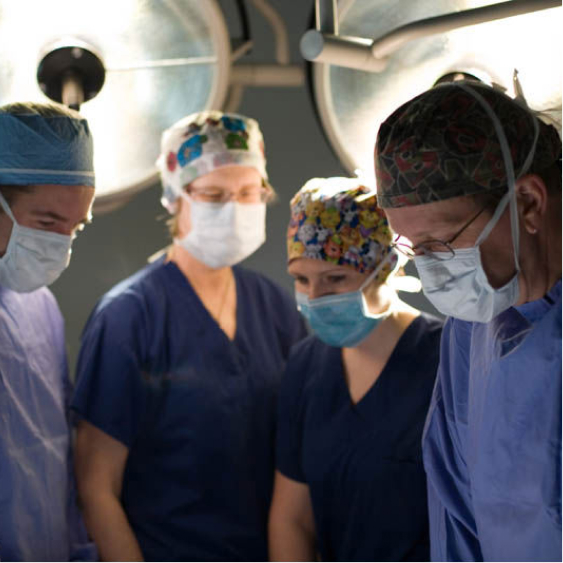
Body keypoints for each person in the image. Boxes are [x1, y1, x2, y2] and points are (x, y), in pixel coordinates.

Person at [71, 110, 307, 562]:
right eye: (215, 195)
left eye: (248, 194)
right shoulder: (130, 317)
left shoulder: (276, 309)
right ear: (175, 196)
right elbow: (96, 487)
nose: (234, 209)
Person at [374, 80, 562, 561]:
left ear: (528, 203)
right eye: (413, 249)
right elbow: (456, 511)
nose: (429, 268)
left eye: (439, 243)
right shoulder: (472, 332)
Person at [268, 176, 443, 562]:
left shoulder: (445, 361)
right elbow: (291, 519)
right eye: (301, 279)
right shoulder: (305, 366)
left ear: (387, 266)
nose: (315, 299)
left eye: (335, 279)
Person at [0, 101, 96, 561]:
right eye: (46, 224)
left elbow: (53, 463)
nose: (59, 245)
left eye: (75, 228)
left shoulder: (40, 309)